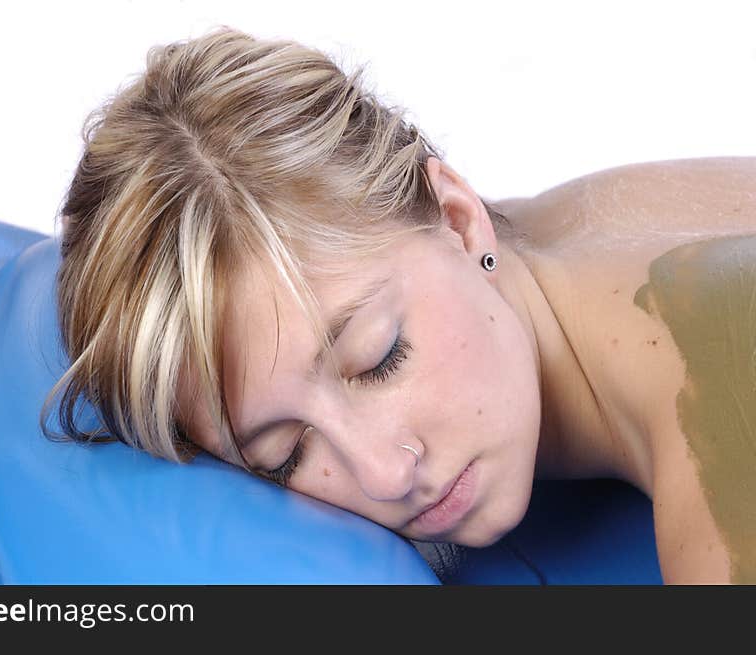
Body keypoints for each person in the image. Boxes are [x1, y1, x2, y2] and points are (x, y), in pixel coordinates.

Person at [42, 25, 755, 584]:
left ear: (458, 216)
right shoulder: (500, 257)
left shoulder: (723, 394)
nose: (385, 474)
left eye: (380, 358)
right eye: (285, 455)